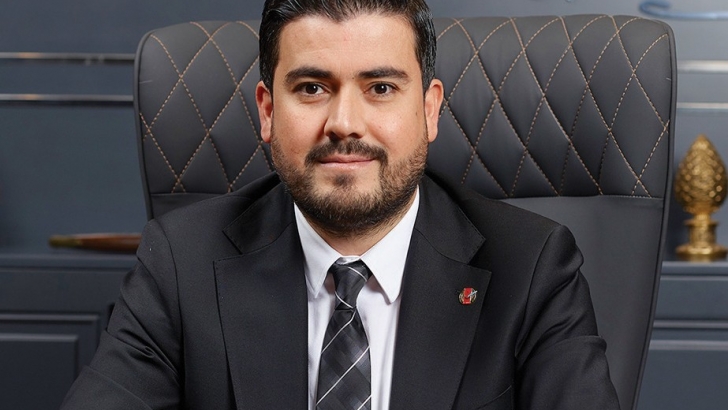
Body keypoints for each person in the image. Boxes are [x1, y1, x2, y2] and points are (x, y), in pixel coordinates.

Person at [61, 0, 620, 408]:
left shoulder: (532, 266)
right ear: (267, 111)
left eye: (381, 88)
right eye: (312, 88)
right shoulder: (180, 261)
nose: (344, 124)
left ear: (429, 111)